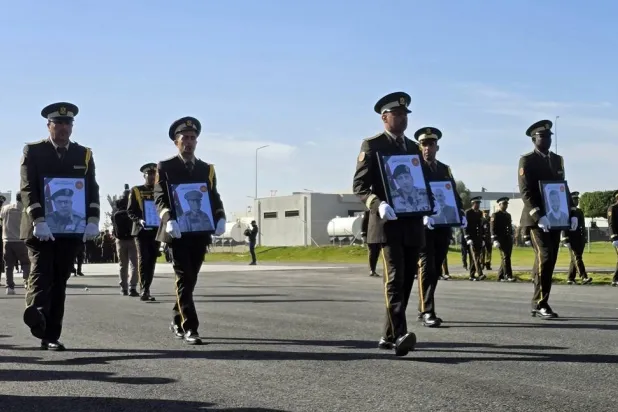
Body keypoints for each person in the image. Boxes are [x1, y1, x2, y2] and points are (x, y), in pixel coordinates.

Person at [352, 91, 430, 356]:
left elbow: (421, 182)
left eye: (405, 115)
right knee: (395, 279)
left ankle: (388, 335)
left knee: (408, 279)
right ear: (384, 118)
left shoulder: (412, 148)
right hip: (387, 224)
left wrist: (428, 204)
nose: (402, 119)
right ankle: (400, 335)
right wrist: (377, 203)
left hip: (412, 223)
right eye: (396, 115)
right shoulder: (372, 146)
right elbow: (359, 186)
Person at [20, 102, 100, 350]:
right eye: (59, 123)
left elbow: (91, 188)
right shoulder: (33, 151)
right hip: (40, 229)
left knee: (60, 280)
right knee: (42, 273)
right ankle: (37, 313)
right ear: (49, 125)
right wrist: (39, 219)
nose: (63, 128)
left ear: (72, 127)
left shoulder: (83, 154)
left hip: (70, 231)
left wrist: (93, 220)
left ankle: (50, 334)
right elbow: (27, 187)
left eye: (68, 123)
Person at [154, 116, 226, 345]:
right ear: (176, 141)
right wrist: (168, 219)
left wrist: (220, 217)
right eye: (184, 137)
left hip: (199, 233)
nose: (189, 141)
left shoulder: (206, 169)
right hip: (177, 234)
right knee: (184, 278)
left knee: (190, 279)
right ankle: (190, 328)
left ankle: (177, 318)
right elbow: (159, 197)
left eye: (193, 138)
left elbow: (213, 196)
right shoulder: (166, 167)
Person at [518, 119, 578, 319]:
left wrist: (571, 211)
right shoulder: (527, 160)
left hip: (555, 217)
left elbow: (562, 187)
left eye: (549, 136)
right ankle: (541, 302)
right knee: (545, 255)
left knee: (549, 259)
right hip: (537, 220)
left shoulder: (557, 160)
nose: (546, 140)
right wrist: (538, 214)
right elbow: (526, 191)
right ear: (534, 139)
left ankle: (538, 301)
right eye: (542, 136)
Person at [413, 126, 467, 327]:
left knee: (435, 268)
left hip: (443, 224)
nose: (427, 148)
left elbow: (452, 194)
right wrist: (423, 214)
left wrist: (460, 213)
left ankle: (423, 306)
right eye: (423, 144)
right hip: (425, 226)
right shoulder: (415, 167)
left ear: (437, 146)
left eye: (430, 144)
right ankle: (428, 310)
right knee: (426, 266)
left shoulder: (444, 169)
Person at [127, 163, 161, 300]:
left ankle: (147, 288)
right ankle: (144, 290)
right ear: (144, 176)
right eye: (150, 174)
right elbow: (130, 211)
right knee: (143, 258)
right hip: (141, 231)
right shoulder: (136, 190)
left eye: (154, 174)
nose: (152, 177)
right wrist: (139, 220)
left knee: (152, 260)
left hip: (156, 230)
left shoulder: (160, 190)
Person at [0, 193, 31, 294]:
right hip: (21, 240)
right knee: (25, 263)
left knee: (8, 265)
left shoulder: (5, 208)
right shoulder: (25, 209)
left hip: (7, 240)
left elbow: (1, 222)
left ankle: (9, 287)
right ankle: (27, 282)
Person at [561, 192, 592, 285]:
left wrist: (585, 237)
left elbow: (582, 225)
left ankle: (570, 278)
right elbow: (564, 225)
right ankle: (583, 277)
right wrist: (565, 238)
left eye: (577, 199)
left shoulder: (579, 211)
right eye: (574, 199)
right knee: (577, 258)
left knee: (575, 258)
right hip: (571, 238)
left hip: (580, 238)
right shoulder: (566, 211)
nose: (576, 201)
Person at [112, 191, 139, 296]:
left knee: (123, 265)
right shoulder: (131, 213)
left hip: (120, 240)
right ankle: (133, 286)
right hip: (132, 239)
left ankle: (123, 288)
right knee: (134, 264)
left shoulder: (116, 215)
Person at [490, 197, 515, 282]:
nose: (505, 206)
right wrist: (494, 240)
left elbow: (509, 227)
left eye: (506, 204)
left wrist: (511, 236)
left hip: (508, 239)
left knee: (506, 257)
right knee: (505, 257)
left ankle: (500, 276)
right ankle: (508, 275)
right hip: (500, 239)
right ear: (499, 204)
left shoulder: (508, 215)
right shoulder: (495, 215)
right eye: (504, 204)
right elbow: (492, 228)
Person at [464, 197, 485, 281]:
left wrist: (482, 237)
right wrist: (467, 237)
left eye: (479, 203)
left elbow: (481, 226)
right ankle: (480, 273)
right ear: (473, 204)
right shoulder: (468, 212)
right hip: (471, 237)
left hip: (478, 238)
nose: (478, 205)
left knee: (474, 257)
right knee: (475, 256)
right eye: (477, 203)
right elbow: (465, 226)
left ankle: (471, 275)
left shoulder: (480, 213)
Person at [360, 210, 379, 277]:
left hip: (379, 235)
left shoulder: (380, 211)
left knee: (377, 253)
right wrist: (363, 235)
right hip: (370, 236)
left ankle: (373, 269)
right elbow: (363, 223)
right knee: (372, 252)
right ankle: (372, 270)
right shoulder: (367, 212)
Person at [607, 190, 618, 287]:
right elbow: (611, 224)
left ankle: (615, 279)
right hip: (617, 237)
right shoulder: (613, 208)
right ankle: (615, 279)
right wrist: (614, 237)